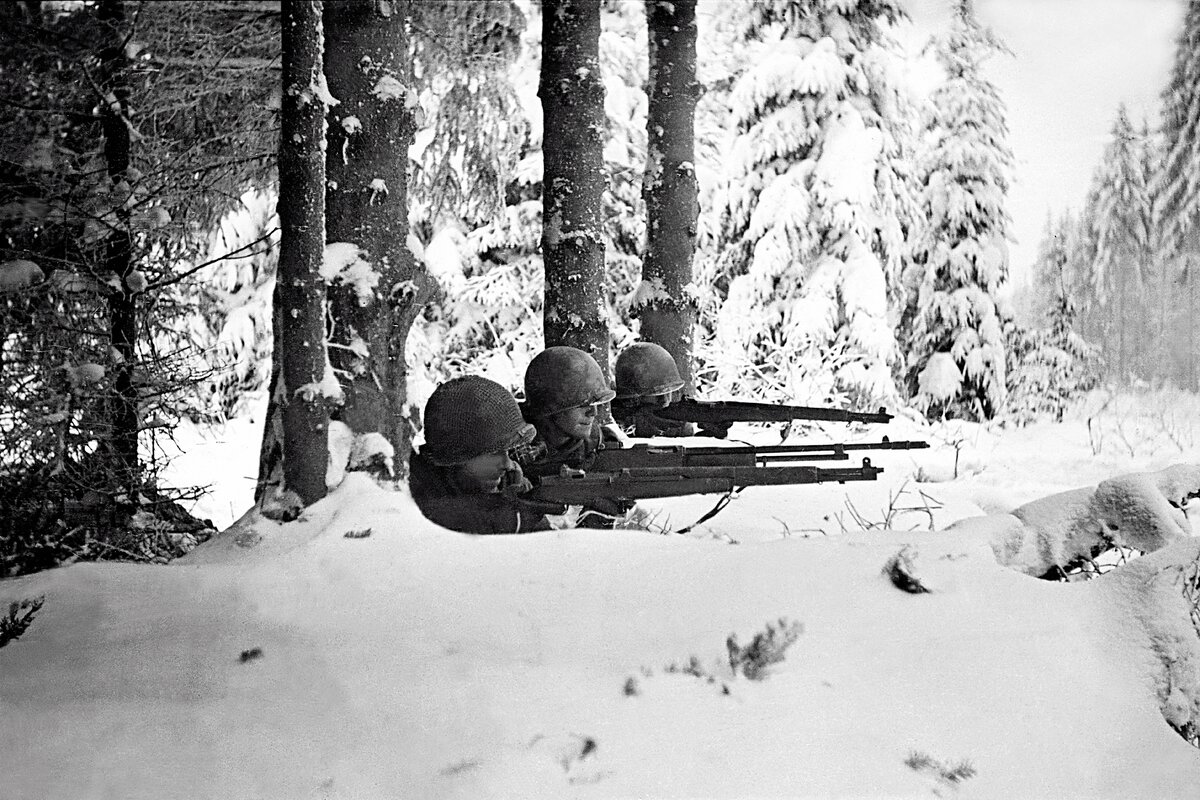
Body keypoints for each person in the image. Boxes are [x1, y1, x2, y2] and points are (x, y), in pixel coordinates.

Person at [409, 375, 563, 535]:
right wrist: (501, 519)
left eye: (508, 451)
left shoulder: (510, 481)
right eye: (493, 453)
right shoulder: (414, 492)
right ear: (458, 455)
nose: (507, 464)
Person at [519, 346, 633, 526]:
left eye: (595, 403)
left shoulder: (599, 446)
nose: (593, 412)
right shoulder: (511, 448)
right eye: (582, 404)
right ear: (551, 406)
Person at [611, 341, 731, 438]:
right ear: (632, 400)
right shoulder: (615, 426)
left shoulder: (676, 423)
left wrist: (710, 435)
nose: (665, 401)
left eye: (669, 391)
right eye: (656, 394)